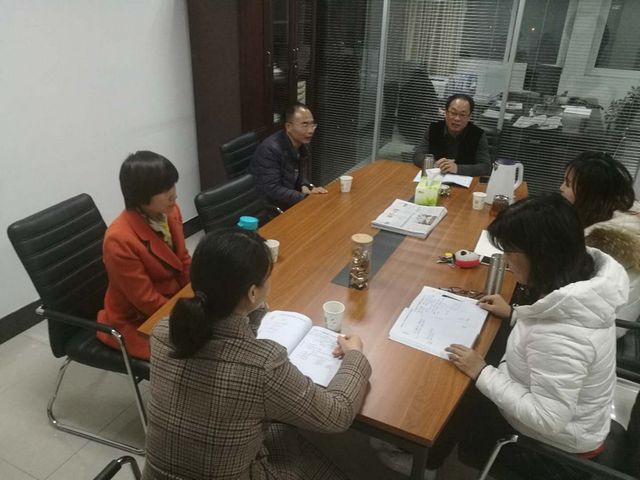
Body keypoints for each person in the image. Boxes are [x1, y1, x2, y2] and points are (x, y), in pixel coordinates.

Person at [376, 194, 628, 479]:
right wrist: (514, 314)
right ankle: (418, 444)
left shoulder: (563, 337)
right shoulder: (583, 286)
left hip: (555, 446)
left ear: (540, 255)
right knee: (480, 353)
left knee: (459, 391)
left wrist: (482, 371)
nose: (506, 260)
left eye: (510, 251)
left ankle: (427, 464)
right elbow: (551, 323)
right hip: (571, 413)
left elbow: (548, 419)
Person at [143, 228, 371, 480]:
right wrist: (355, 356)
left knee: (282, 427)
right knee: (304, 444)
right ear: (252, 293)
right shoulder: (262, 366)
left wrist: (251, 307)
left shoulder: (164, 331)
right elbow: (336, 415)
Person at [97, 151, 191, 360]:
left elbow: (183, 260)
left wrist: (199, 294)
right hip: (137, 319)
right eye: (164, 190)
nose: (174, 195)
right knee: (197, 354)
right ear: (139, 195)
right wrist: (189, 317)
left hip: (174, 301)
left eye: (172, 185)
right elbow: (145, 300)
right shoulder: (119, 239)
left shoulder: (170, 211)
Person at [560, 151, 640, 334]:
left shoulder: (603, 241)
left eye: (568, 184)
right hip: (606, 317)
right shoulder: (624, 211)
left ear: (591, 194)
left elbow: (565, 292)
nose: (561, 188)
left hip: (600, 327)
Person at [250, 103, 327, 210]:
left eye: (312, 124)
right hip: (270, 207)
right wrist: (306, 197)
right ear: (288, 127)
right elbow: (272, 190)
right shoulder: (270, 150)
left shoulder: (301, 144)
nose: (310, 130)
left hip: (290, 199)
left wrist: (306, 186)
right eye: (305, 125)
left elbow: (299, 175)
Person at [412, 93, 492, 177]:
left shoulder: (478, 134)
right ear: (446, 113)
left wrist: (457, 168)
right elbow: (417, 156)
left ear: (469, 117)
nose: (457, 118)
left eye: (462, 115)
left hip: (463, 182)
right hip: (435, 178)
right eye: (453, 113)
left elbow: (485, 167)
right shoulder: (434, 129)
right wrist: (435, 164)